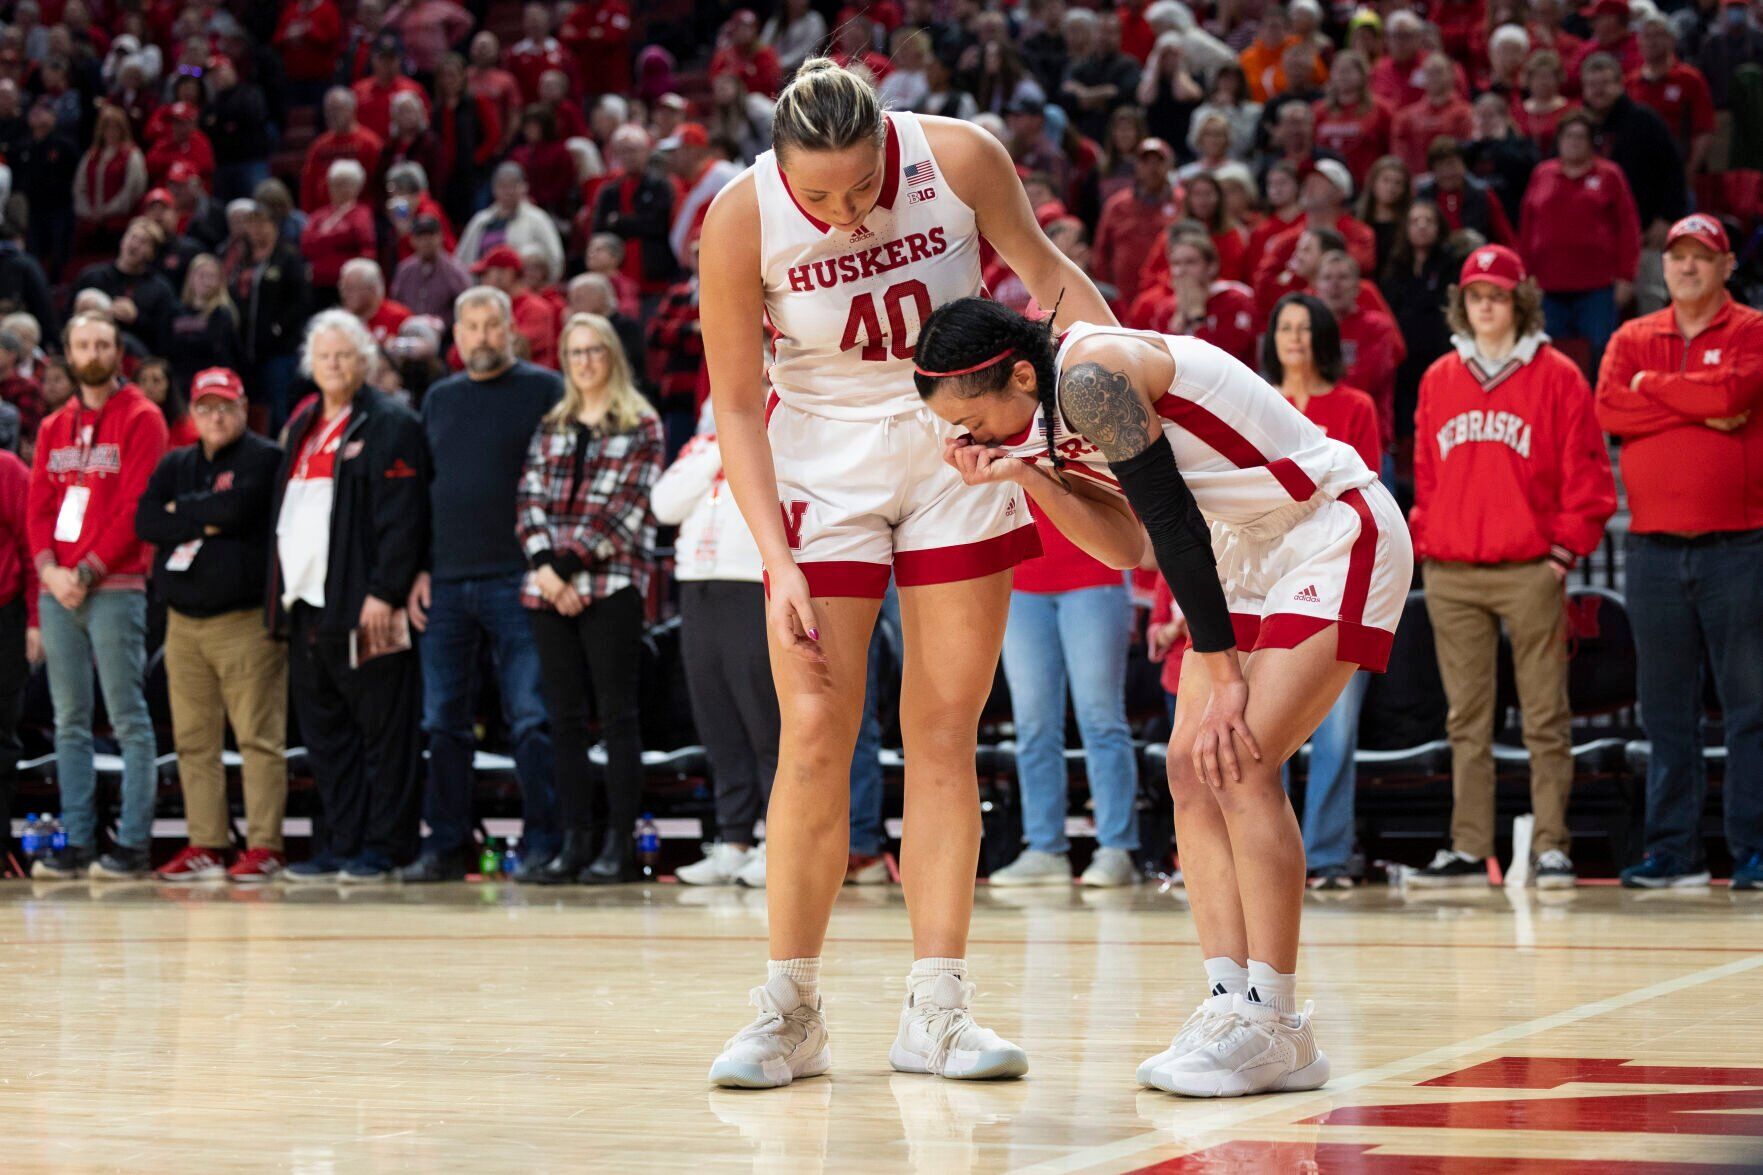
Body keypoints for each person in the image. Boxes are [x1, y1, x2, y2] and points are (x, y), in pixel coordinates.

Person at [698, 59, 1113, 1089]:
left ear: (889, 142)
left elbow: (1051, 279)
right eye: (820, 197)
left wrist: (1121, 398)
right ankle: (788, 1007)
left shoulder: (959, 156)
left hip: (956, 447)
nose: (842, 215)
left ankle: (937, 1006)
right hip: (819, 470)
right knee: (812, 733)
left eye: (858, 189)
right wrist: (774, 555)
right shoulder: (739, 217)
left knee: (942, 729)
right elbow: (737, 406)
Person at [913, 294, 1412, 1097]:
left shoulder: (1091, 377)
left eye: (982, 423)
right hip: (1244, 546)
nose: (976, 438)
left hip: (1328, 523)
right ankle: (1230, 1002)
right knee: (1187, 767)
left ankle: (1279, 1023)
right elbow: (1128, 543)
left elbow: (1172, 525)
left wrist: (1219, 676)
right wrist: (1021, 472)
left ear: (1015, 371)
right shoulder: (1036, 418)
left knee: (1240, 761)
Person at [1407, 245, 1616, 888]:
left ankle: (1551, 844)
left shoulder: (1557, 375)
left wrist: (1560, 553)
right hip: (1453, 572)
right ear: (1462, 304)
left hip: (1530, 568)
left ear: (1518, 301)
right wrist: (1427, 542)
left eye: (1498, 295)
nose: (1487, 306)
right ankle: (1471, 848)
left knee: (1545, 715)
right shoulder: (1440, 376)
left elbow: (1589, 475)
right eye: (1476, 296)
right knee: (1465, 720)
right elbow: (1424, 475)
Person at [1596, 214, 1763, 892]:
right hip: (1652, 549)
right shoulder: (1633, 336)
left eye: (1702, 256)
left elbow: (1735, 394)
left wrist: (1652, 392)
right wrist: (1700, 407)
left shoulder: (1753, 330)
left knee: (1750, 707)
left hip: (1739, 544)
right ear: (1661, 268)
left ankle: (1752, 849)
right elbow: (1608, 408)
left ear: (1726, 266)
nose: (1688, 267)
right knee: (1664, 710)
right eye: (1677, 257)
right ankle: (1673, 851)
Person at [400, 287, 562, 883]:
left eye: (491, 325)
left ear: (510, 330)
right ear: (456, 337)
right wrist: (419, 567)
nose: (481, 337)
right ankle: (445, 845)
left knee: (530, 717)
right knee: (442, 721)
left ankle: (545, 841)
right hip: (445, 581)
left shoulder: (545, 389)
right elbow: (424, 492)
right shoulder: (439, 400)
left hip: (519, 576)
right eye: (470, 327)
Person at [270, 310, 430, 884]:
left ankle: (386, 847)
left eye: (343, 355)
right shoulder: (303, 424)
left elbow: (403, 517)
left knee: (384, 734)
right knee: (327, 738)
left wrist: (385, 592)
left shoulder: (389, 423)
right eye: (323, 356)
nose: (333, 365)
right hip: (305, 605)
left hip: (365, 604)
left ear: (363, 360)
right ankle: (340, 843)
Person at [515, 313, 662, 884]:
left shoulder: (641, 422)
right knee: (565, 719)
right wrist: (547, 569)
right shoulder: (553, 422)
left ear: (612, 358)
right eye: (575, 353)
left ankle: (617, 845)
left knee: (617, 717)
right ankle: (575, 841)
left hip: (611, 585)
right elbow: (528, 495)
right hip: (547, 590)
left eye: (594, 351)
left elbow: (629, 506)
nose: (584, 362)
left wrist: (570, 564)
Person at [26, 312, 168, 879]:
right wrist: (48, 570)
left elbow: (135, 508)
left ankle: (132, 844)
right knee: (68, 721)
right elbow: (37, 508)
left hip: (114, 586)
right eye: (82, 344)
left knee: (129, 717)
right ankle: (78, 842)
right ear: (66, 352)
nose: (92, 352)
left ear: (118, 352)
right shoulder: (52, 427)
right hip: (57, 590)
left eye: (102, 343)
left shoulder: (142, 418)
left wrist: (82, 571)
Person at [135, 368, 288, 882]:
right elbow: (147, 521)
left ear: (244, 410)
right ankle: (207, 842)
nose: (216, 416)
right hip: (183, 625)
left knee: (257, 739)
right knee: (193, 741)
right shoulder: (176, 462)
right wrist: (207, 516)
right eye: (206, 407)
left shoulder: (265, 458)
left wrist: (189, 512)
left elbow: (243, 508)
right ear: (193, 413)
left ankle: (265, 845)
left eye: (226, 406)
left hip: (244, 622)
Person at [1262, 294, 1382, 888]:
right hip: (1265, 581)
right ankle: (1266, 856)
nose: (1295, 338)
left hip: (1336, 577)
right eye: (1286, 327)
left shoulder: (1354, 405)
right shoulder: (1260, 405)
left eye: (1307, 329)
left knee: (1335, 729)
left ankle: (1329, 856)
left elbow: (1362, 494)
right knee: (1265, 729)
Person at [989, 499, 1142, 888]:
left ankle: (1116, 848)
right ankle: (1044, 848)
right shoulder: (989, 436)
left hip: (1096, 573)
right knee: (1033, 725)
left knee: (1101, 718)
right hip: (1020, 579)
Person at [655, 400, 776, 888]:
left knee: (765, 721)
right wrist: (722, 444)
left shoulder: (778, 443)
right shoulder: (703, 448)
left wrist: (737, 440)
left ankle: (776, 840)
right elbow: (664, 504)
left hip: (750, 587)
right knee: (717, 721)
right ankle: (732, 840)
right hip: (698, 589)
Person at [1518, 110, 1639, 375]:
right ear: (1559, 140)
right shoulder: (1542, 174)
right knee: (1547, 354)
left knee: (1600, 352)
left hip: (1597, 286)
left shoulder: (1610, 175)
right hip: (1547, 285)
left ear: (1591, 142)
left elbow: (1628, 228)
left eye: (1580, 136)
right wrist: (1524, 276)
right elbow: (1527, 229)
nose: (1573, 142)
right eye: (1568, 136)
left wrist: (1626, 276)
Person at [231, 201, 310, 433]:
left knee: (279, 406)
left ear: (274, 226)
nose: (257, 230)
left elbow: (302, 301)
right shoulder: (243, 258)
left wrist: (279, 328)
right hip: (246, 349)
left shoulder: (287, 257)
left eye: (262, 224)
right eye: (252, 224)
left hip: (279, 350)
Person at [1093, 137, 1181, 308]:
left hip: (1169, 297)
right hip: (1123, 296)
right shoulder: (1117, 205)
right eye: (1146, 162)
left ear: (1169, 166)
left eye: (1158, 162)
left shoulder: (1182, 202)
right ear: (1137, 166)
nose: (1152, 168)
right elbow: (1101, 252)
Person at [456, 161, 565, 283]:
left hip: (523, 289)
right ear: (494, 189)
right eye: (502, 186)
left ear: (525, 187)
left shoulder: (538, 219)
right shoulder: (481, 220)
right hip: (483, 288)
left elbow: (555, 259)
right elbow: (462, 260)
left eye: (513, 185)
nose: (508, 191)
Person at [302, 158, 378, 308]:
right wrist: (339, 239)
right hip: (318, 283)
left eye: (345, 184)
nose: (339, 189)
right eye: (335, 184)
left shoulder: (361, 213)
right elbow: (306, 244)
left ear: (357, 187)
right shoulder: (319, 215)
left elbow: (366, 246)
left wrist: (324, 240)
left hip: (347, 285)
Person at [165, 254, 243, 395]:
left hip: (209, 383)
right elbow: (166, 347)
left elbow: (218, 351)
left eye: (212, 277)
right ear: (191, 277)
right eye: (201, 275)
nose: (206, 281)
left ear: (220, 282)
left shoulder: (223, 313)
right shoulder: (175, 310)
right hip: (178, 383)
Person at [299, 88, 385, 213]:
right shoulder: (319, 146)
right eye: (328, 110)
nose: (332, 115)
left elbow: (379, 185)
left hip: (361, 213)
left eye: (337, 109)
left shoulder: (370, 143)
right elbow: (308, 186)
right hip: (324, 215)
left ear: (352, 110)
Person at [391, 214, 472, 327]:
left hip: (446, 336)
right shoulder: (405, 270)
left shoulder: (454, 270)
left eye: (430, 236)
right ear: (412, 240)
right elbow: (396, 304)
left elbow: (467, 304)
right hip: (410, 332)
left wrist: (444, 322)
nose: (426, 241)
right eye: (421, 237)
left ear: (440, 237)